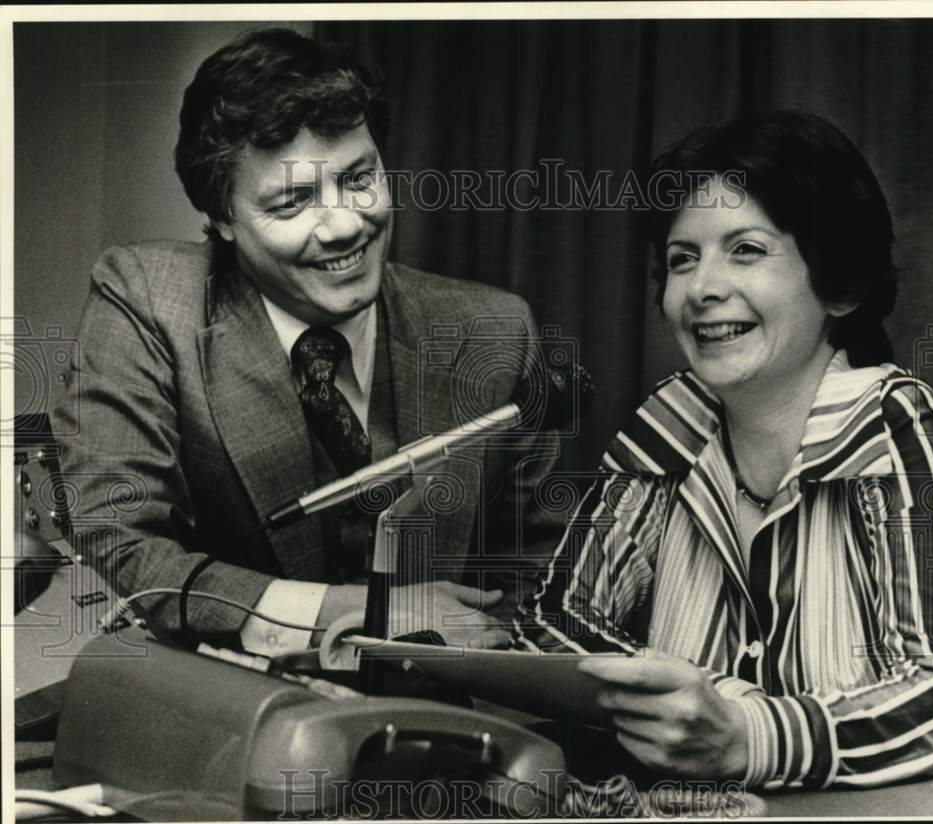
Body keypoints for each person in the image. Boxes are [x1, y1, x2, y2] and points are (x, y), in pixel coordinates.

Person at [51, 28, 563, 655]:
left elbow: (532, 584)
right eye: (293, 201)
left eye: (359, 178)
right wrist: (347, 614)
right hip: (233, 718)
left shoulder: (498, 332)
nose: (346, 224)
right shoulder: (147, 299)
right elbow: (118, 535)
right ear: (221, 220)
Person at [514, 110, 933, 790]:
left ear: (841, 284)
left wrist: (749, 736)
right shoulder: (672, 419)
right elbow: (550, 624)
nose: (702, 289)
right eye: (683, 259)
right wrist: (690, 702)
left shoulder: (897, 425)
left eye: (747, 251)